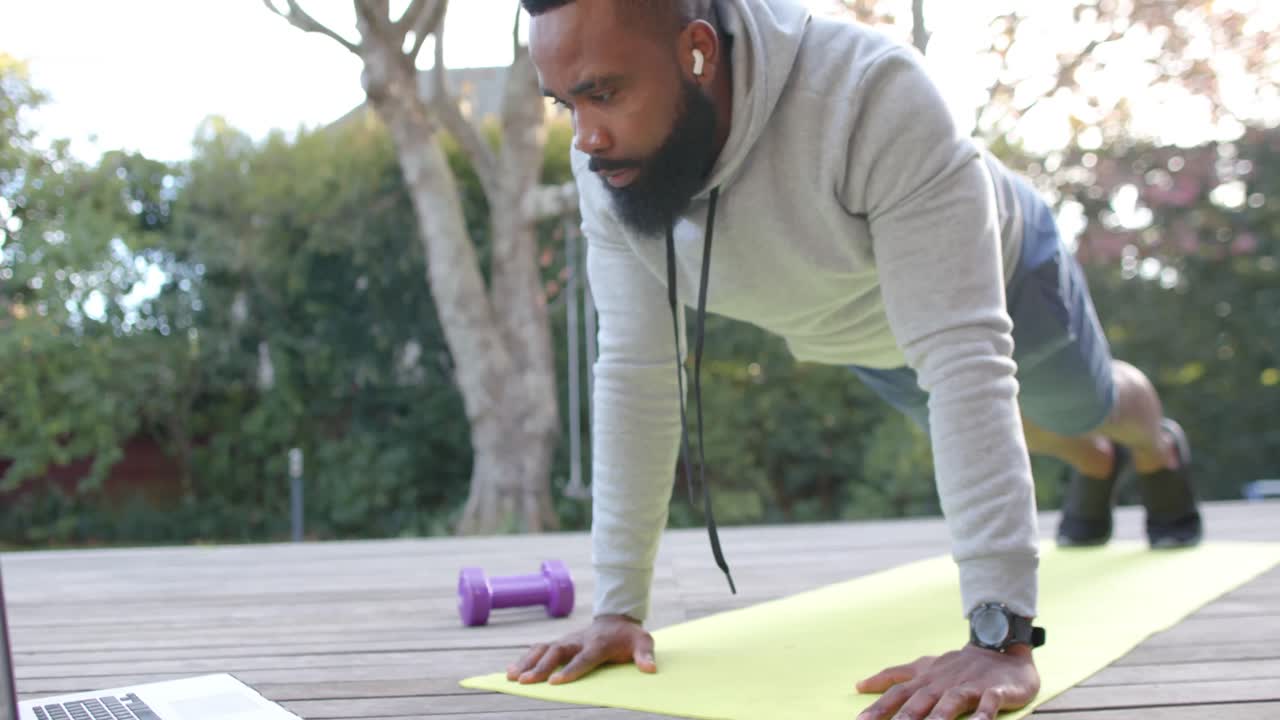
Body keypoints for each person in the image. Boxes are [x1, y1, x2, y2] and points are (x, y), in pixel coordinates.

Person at [506, 1, 1204, 718]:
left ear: (696, 52)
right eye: (566, 103)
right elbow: (636, 369)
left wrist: (1000, 637)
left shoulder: (870, 94)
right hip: (863, 332)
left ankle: (1154, 448)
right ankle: (1094, 464)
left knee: (1081, 405)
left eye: (604, 92)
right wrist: (618, 607)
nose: (586, 137)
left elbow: (966, 361)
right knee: (1023, 433)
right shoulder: (609, 165)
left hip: (1005, 274)